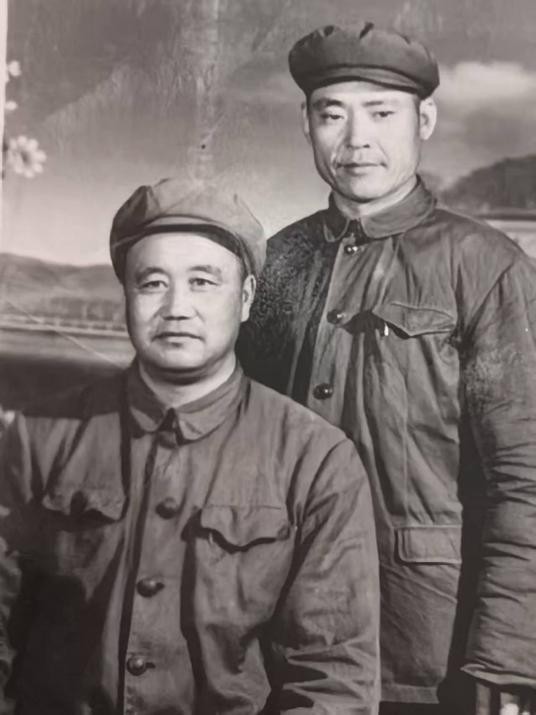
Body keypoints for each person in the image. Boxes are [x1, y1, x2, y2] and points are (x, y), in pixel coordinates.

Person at [238, 22, 536, 715]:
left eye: (380, 113)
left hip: (426, 653)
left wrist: (504, 661)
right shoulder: (275, 264)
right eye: (331, 115)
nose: (355, 140)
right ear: (306, 125)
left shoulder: (485, 266)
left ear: (423, 121)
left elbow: (525, 477)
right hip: (278, 642)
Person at [0, 178, 380, 714]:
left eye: (203, 282)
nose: (177, 307)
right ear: (126, 295)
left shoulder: (316, 461)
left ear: (245, 298)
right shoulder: (40, 437)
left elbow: (334, 681)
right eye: (152, 283)